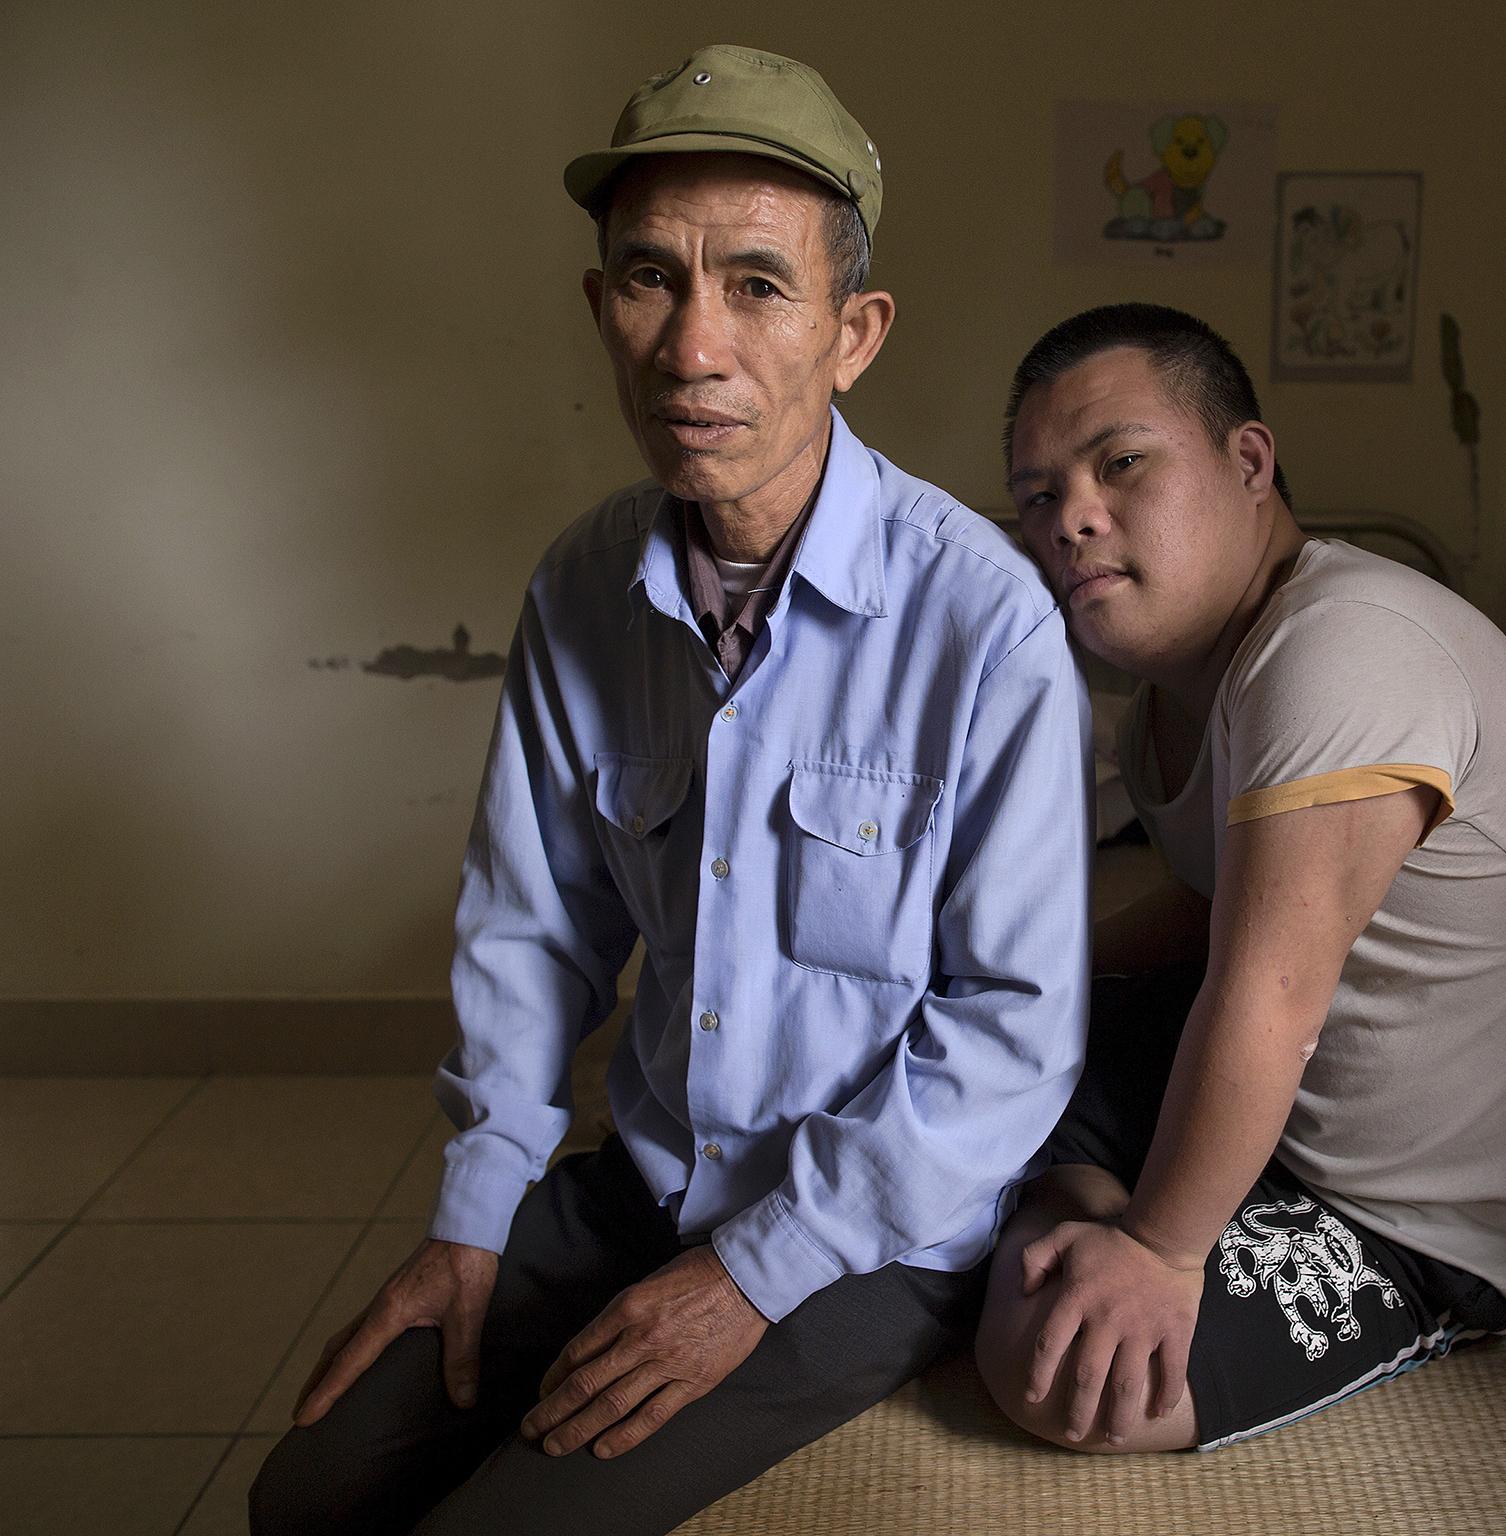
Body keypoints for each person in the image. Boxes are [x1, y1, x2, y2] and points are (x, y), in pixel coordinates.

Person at [251, 46, 1090, 1534]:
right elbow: (534, 932)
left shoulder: (983, 619)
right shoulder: (583, 586)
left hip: (866, 1233)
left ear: (855, 331)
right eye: (650, 279)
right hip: (645, 1182)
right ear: (599, 308)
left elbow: (1012, 1036)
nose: (692, 346)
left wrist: (745, 1280)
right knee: (308, 1495)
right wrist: (475, 1209)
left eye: (759, 286)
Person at [978, 303, 1506, 1453]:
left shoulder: (1340, 647)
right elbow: (1209, 909)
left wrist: (1156, 1250)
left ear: (1247, 463)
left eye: (1120, 463)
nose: (1072, 519)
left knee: (1055, 1367)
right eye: (1038, 497)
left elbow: (1268, 997)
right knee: (961, 1055)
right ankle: (1080, 1188)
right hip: (1290, 1115)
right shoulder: (1163, 711)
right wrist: (1014, 976)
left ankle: (1093, 1201)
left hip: (1426, 1213)